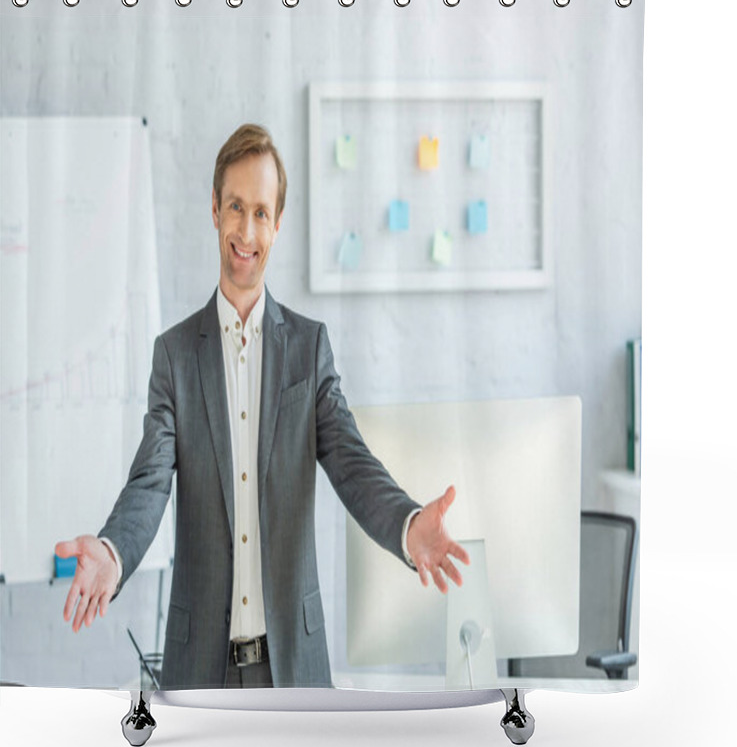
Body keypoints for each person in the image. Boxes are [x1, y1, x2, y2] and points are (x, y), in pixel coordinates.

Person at [55, 123, 468, 690]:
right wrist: (112, 551)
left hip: (293, 664)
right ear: (216, 211)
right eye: (236, 207)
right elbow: (150, 483)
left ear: (277, 223)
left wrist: (407, 524)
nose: (247, 230)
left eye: (262, 212)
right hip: (201, 666)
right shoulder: (174, 355)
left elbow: (351, 463)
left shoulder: (308, 347)